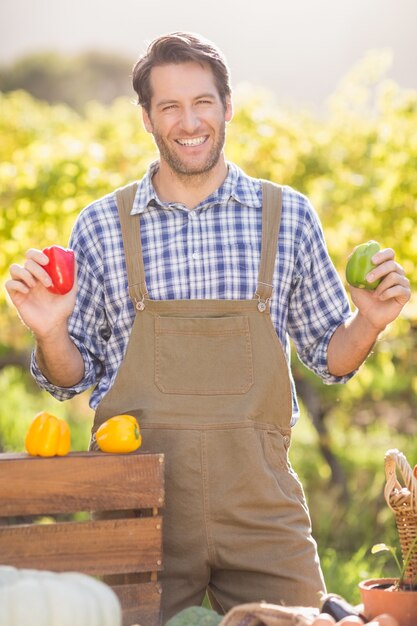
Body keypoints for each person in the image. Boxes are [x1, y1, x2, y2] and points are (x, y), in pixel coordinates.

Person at [5, 32, 410, 624]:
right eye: (168, 106)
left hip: (261, 507)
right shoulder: (100, 226)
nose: (188, 121)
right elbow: (71, 379)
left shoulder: (287, 216)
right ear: (146, 118)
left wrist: (368, 323)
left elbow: (331, 356)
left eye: (203, 102)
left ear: (227, 107)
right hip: (138, 510)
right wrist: (48, 332)